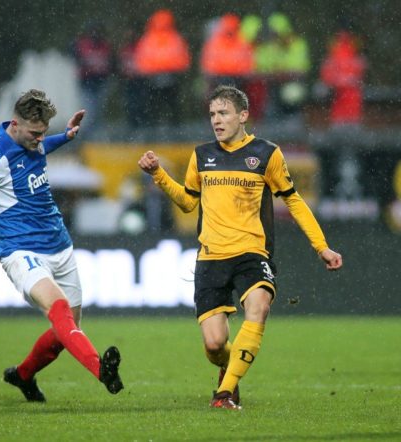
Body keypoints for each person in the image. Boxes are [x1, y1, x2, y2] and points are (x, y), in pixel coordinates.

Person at [137, 85, 342, 410]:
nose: (216, 120)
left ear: (243, 115)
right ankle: (227, 370)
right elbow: (189, 203)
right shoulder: (202, 156)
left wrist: (322, 247)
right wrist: (158, 174)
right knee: (215, 345)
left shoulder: (265, 154)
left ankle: (225, 394)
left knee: (258, 309)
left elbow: (294, 200)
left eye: (223, 113)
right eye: (212, 115)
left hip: (252, 254)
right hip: (211, 258)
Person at [0, 89, 123, 401]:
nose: (39, 139)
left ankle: (23, 376)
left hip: (60, 244)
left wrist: (66, 137)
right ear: (14, 124)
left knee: (65, 332)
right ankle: (102, 370)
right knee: (59, 310)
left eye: (43, 133)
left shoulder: (31, 139)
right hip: (22, 251)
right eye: (35, 134)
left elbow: (43, 146)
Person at [133, 9, 191, 126]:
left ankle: (157, 129)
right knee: (169, 105)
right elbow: (183, 59)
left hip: (158, 77)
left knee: (156, 106)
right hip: (164, 77)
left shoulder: (148, 39)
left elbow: (140, 60)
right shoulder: (175, 38)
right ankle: (170, 129)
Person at [71, 21, 113, 130]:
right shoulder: (82, 45)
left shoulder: (105, 46)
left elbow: (110, 64)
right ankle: (86, 136)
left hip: (100, 82)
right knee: (89, 112)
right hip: (87, 83)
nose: (95, 35)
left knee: (99, 112)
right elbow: (77, 60)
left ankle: (95, 137)